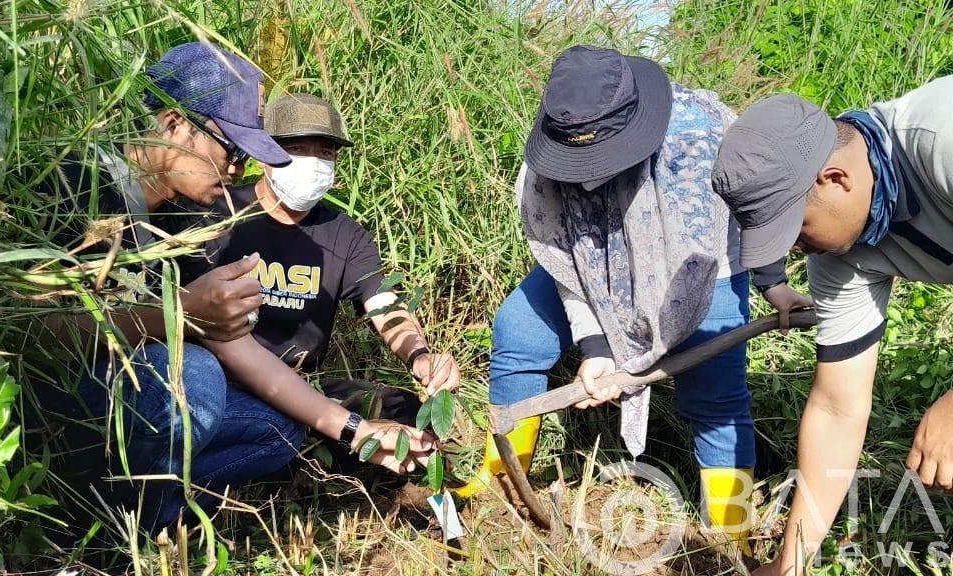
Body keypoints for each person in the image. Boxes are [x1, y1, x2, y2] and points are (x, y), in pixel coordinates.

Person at [38, 44, 433, 532]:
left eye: (326, 151)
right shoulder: (82, 185)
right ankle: (120, 521)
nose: (238, 169)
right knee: (195, 374)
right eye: (234, 150)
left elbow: (235, 340)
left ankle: (138, 505)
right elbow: (31, 336)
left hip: (161, 393)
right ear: (175, 124)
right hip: (63, 409)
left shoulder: (155, 221)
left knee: (279, 429)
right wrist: (179, 313)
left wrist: (357, 427)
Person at [454, 46, 810, 550]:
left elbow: (753, 208)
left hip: (700, 268)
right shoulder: (546, 161)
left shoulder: (703, 134)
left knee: (715, 392)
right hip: (591, 267)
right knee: (519, 329)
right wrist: (596, 343)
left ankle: (731, 533)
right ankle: (500, 486)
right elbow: (564, 257)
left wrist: (772, 282)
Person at [711, 76, 953, 574]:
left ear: (836, 179)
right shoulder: (841, 255)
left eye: (795, 229)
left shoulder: (941, 137)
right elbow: (838, 409)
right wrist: (791, 564)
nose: (793, 249)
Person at [170, 93, 461, 462]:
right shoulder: (216, 214)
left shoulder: (346, 235)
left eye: (325, 151)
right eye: (296, 148)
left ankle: (317, 446)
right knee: (276, 426)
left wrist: (419, 355)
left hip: (303, 385)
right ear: (265, 154)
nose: (313, 161)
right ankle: (298, 447)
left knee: (403, 412)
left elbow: (384, 303)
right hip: (221, 377)